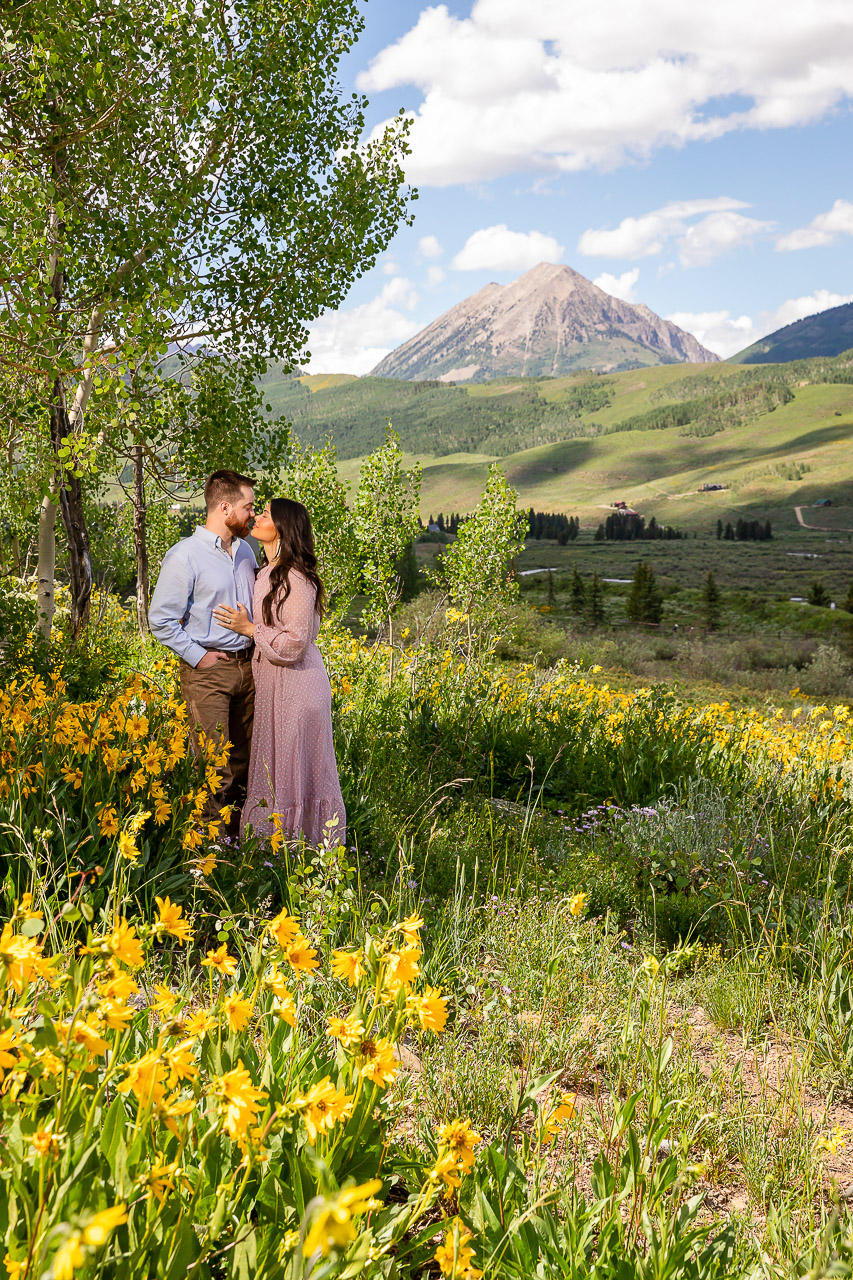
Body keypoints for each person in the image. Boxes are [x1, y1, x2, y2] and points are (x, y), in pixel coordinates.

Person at [213, 497, 346, 847]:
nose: (257, 517)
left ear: (283, 529)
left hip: (299, 688)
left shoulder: (296, 578)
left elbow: (295, 643)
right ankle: (274, 853)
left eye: (266, 514)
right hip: (276, 687)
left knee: (292, 772)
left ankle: (304, 852)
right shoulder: (268, 572)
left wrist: (249, 629)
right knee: (277, 769)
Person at [149, 470, 257, 829]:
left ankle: (238, 843)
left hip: (250, 668)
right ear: (224, 507)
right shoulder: (185, 556)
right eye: (247, 507)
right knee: (213, 768)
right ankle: (209, 855)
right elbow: (161, 620)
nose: (252, 515)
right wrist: (201, 656)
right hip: (208, 672)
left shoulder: (246, 552)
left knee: (245, 762)